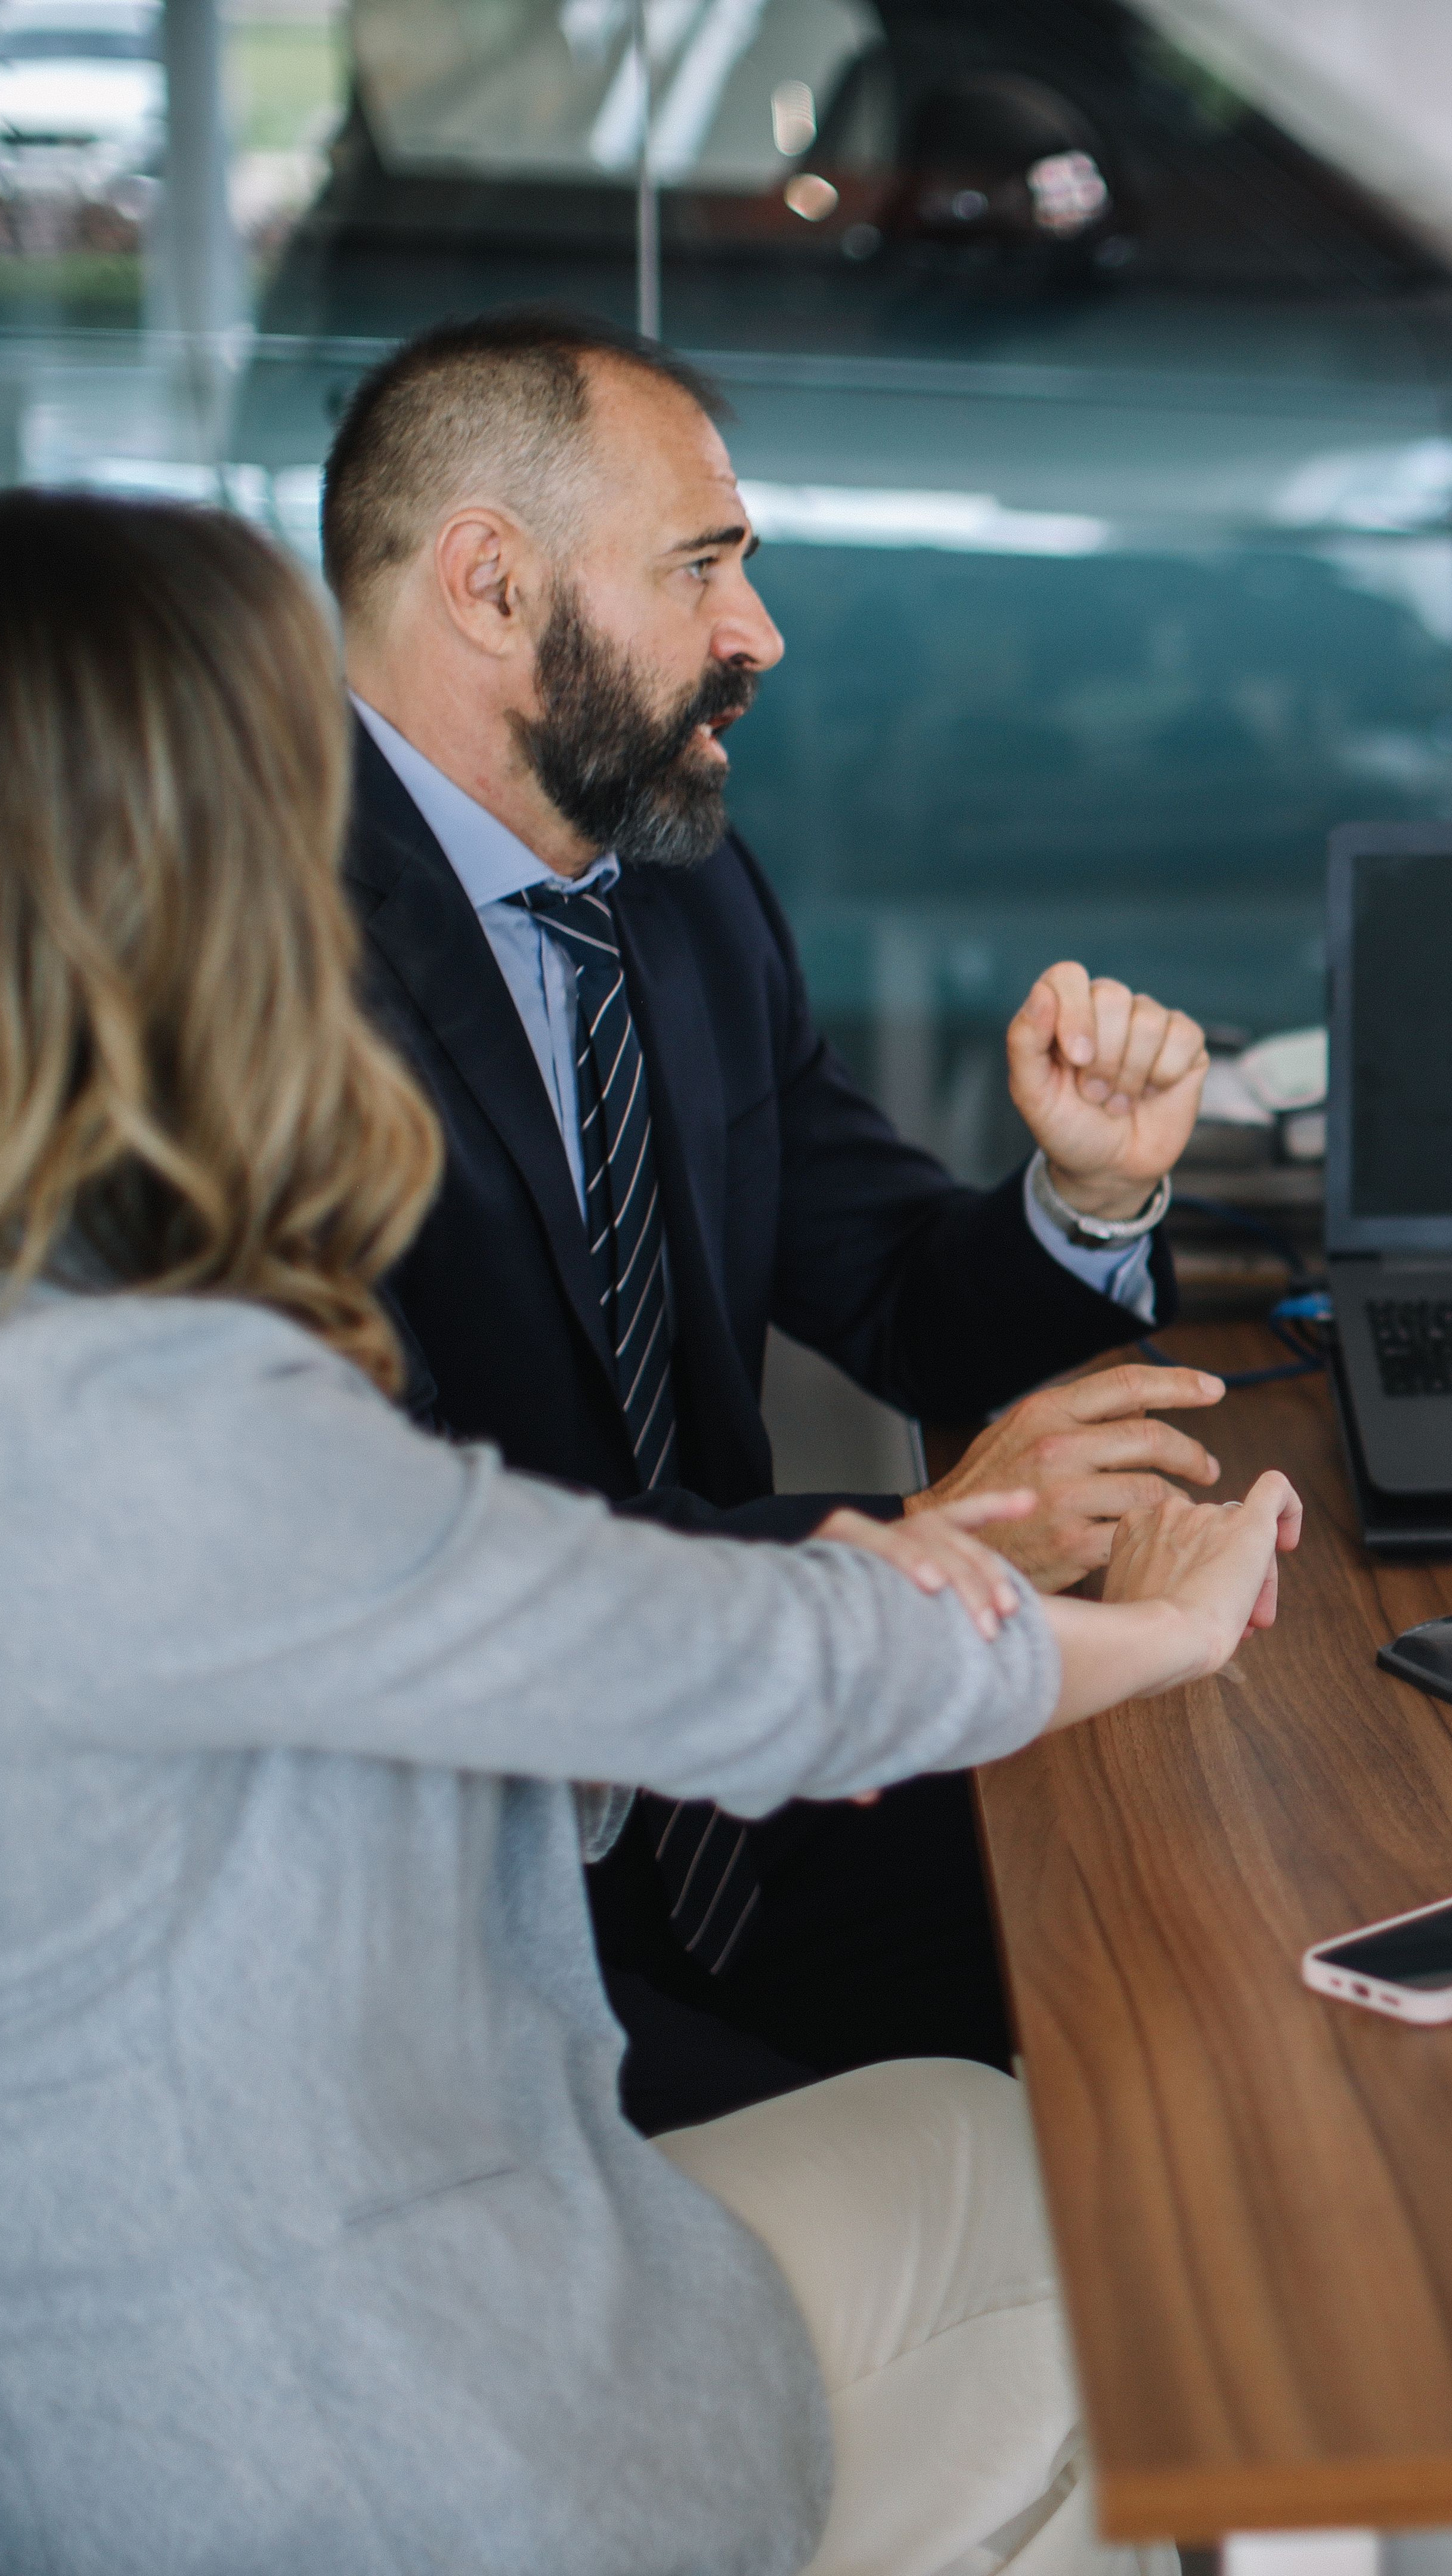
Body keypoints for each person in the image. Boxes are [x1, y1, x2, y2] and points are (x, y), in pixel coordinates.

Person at [0, 487, 1302, 2574]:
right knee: (1159, 2258)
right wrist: (1153, 1623)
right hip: (312, 2461)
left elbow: (538, 1555)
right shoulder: (130, 1403)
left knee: (1003, 2126)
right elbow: (670, 1651)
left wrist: (1083, 1226)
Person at [324, 306, 1224, 2123]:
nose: (761, 636)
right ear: (492, 588)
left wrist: (1089, 1191)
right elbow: (417, 1581)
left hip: (760, 1808)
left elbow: (897, 1294)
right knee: (1089, 2117)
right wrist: (910, 1547)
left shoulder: (677, 887)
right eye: (704, 569)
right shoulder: (255, 976)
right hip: (471, 1914)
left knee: (1216, 1984)